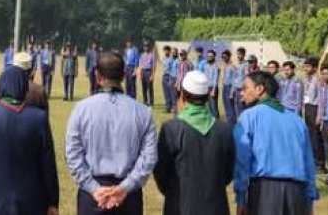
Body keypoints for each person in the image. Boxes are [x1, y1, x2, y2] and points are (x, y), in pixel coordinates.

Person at [66, 51, 156, 215]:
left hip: (94, 195)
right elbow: (148, 158)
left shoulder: (81, 110)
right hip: (128, 195)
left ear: (98, 76)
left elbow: (73, 155)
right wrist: (124, 188)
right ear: (123, 76)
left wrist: (94, 189)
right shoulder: (143, 113)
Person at [0, 66, 60, 215]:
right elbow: (48, 165)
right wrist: (53, 202)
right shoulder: (39, 119)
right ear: (24, 89)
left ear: (0, 89)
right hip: (30, 204)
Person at [233, 71, 319, 215]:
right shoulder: (297, 121)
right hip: (297, 194)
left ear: (260, 89)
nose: (242, 94)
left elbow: (242, 161)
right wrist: (309, 198)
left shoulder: (248, 117)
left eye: (245, 88)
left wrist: (241, 198)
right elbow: (308, 163)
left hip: (265, 193)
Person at [154, 71, 235, 215]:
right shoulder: (225, 129)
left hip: (180, 205)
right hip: (215, 205)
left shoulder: (172, 128)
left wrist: (173, 191)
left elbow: (161, 171)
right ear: (208, 96)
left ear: (183, 95)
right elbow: (228, 172)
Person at [301, 57, 326, 173]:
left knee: (317, 137)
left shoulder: (318, 80)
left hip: (315, 109)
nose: (306, 69)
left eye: (308, 66)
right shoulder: (306, 79)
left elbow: (321, 99)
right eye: (305, 66)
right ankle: (312, 161)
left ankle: (320, 164)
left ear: (315, 68)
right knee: (310, 136)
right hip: (308, 108)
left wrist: (319, 115)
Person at [221, 50, 238, 125]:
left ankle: (232, 123)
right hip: (224, 87)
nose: (223, 58)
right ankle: (228, 122)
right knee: (226, 106)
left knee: (230, 107)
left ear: (229, 56)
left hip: (230, 88)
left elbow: (235, 80)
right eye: (222, 57)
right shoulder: (224, 65)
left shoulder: (232, 66)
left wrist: (232, 92)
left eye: (225, 56)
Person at [203, 49, 220, 119]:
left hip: (213, 88)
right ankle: (210, 120)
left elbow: (216, 78)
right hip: (206, 87)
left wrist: (213, 90)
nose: (209, 57)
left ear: (214, 57)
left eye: (211, 56)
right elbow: (205, 76)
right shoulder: (206, 65)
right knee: (207, 105)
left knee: (213, 105)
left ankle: (216, 120)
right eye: (208, 56)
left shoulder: (216, 66)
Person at [161, 46, 177, 113]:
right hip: (164, 76)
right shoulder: (163, 59)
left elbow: (172, 69)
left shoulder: (172, 59)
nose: (166, 52)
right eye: (165, 50)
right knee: (166, 93)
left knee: (172, 93)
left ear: (169, 51)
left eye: (167, 50)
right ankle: (167, 108)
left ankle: (174, 107)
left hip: (169, 76)